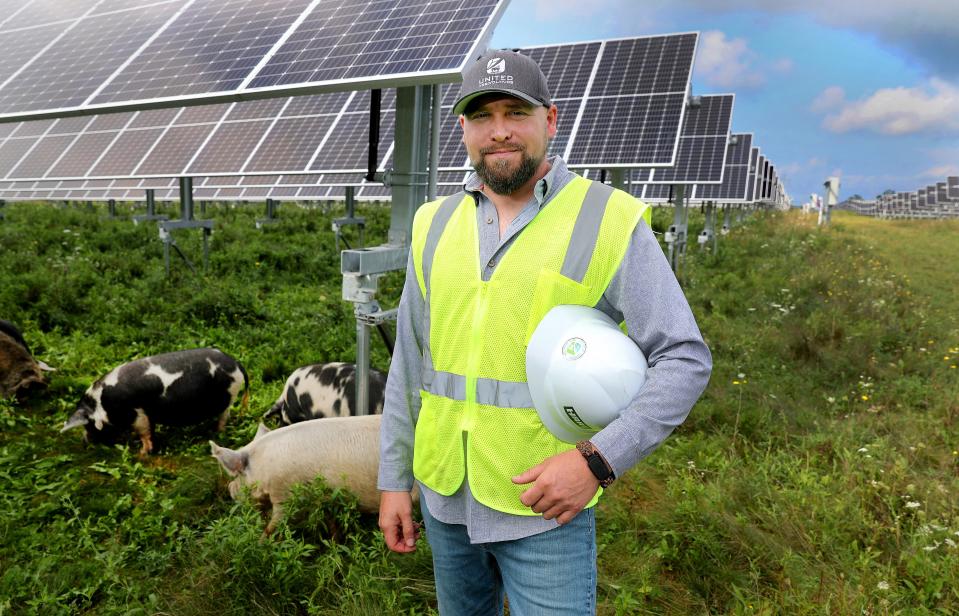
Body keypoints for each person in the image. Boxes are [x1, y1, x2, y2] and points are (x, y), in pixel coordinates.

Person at [378, 49, 712, 615]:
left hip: (544, 509)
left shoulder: (606, 217)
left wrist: (598, 461)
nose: (499, 131)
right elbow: (410, 362)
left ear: (550, 120)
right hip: (444, 497)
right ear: (463, 127)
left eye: (516, 113)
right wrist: (393, 478)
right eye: (482, 115)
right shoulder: (432, 224)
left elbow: (684, 357)